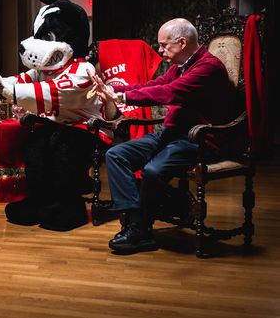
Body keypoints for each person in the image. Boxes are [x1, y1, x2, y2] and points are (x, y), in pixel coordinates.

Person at [89, 18, 235, 253]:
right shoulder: (181, 66)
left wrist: (122, 98)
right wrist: (113, 90)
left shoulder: (208, 68)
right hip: (171, 134)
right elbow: (154, 84)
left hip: (198, 140)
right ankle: (139, 225)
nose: (160, 50)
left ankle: (148, 222)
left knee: (152, 171)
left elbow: (169, 92)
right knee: (116, 155)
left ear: (182, 42)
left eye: (164, 45)